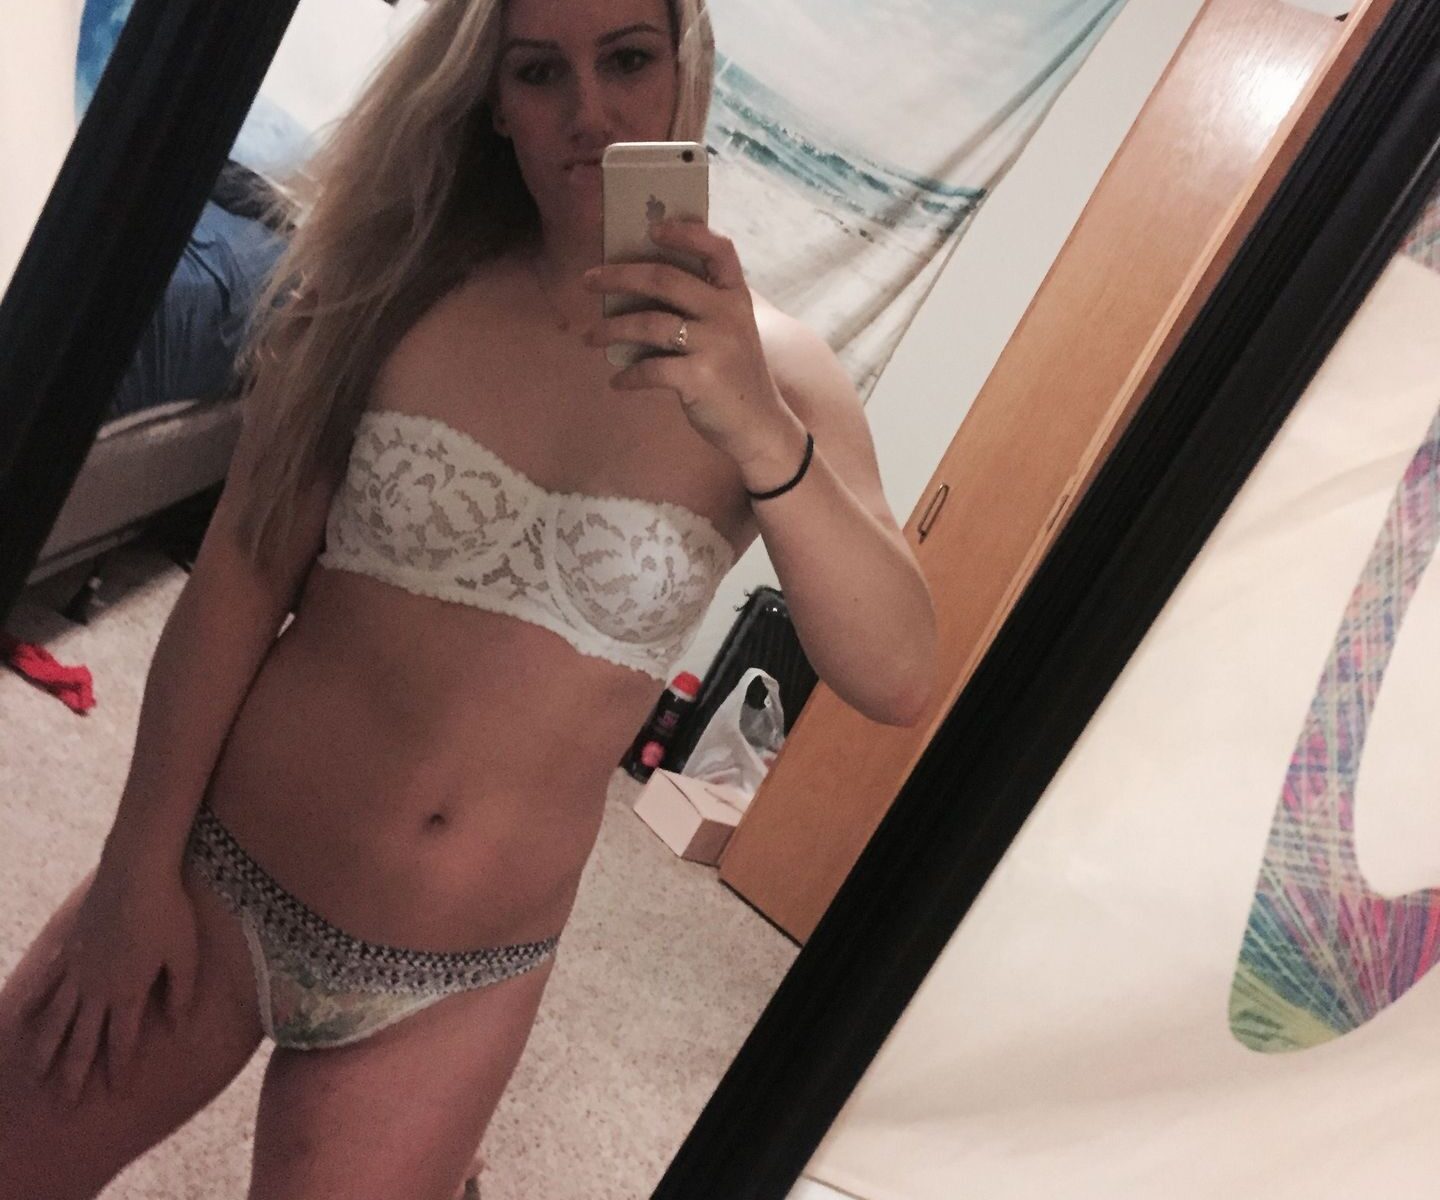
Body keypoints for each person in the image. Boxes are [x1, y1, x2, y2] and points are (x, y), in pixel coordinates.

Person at [0, 0, 938, 1196]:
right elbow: (238, 576)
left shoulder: (779, 377)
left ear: (688, 64)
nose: (589, 111)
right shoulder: (396, 290)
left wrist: (756, 425)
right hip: (218, 874)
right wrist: (134, 871)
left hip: (455, 989)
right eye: (540, 73)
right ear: (494, 101)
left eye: (629, 59)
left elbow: (898, 675)